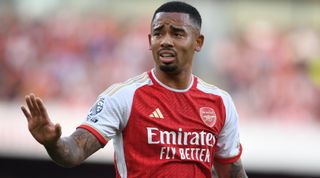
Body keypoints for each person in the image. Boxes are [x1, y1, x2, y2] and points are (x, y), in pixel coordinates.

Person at [21, 1, 248, 178]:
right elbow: (74, 152)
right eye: (159, 33)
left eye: (177, 33)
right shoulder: (124, 97)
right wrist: (53, 143)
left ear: (198, 42)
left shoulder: (219, 102)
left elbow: (232, 172)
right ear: (150, 40)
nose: (166, 41)